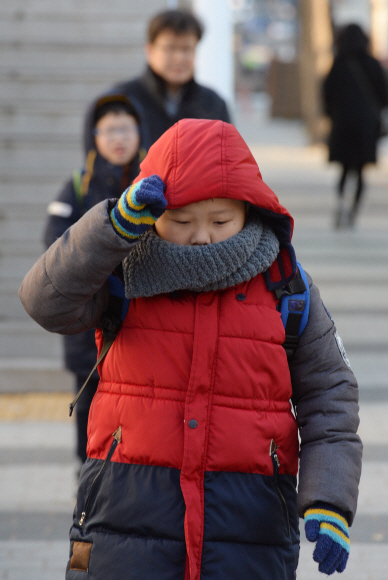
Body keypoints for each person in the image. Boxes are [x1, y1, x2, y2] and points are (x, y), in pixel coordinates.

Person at [19, 119, 362, 579]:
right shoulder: (123, 274)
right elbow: (44, 301)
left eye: (220, 221)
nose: (202, 236)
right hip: (126, 517)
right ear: (152, 215)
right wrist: (110, 229)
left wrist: (329, 499)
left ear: (250, 209)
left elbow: (330, 397)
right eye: (181, 221)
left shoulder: (286, 287)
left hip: (248, 525)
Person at [43, 94, 142, 466]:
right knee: (88, 402)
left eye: (126, 128)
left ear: (139, 133)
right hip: (89, 323)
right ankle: (86, 476)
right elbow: (55, 243)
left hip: (138, 318)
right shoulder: (78, 187)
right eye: (109, 129)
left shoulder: (151, 181)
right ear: (94, 136)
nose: (119, 138)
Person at [83, 9, 230, 153]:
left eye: (187, 49)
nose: (179, 57)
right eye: (170, 48)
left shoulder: (214, 104)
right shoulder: (121, 100)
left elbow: (227, 162)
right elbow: (98, 167)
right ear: (149, 50)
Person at [323, 23, 388, 228]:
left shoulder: (338, 64)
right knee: (360, 171)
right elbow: (384, 95)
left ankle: (341, 204)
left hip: (342, 125)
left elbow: (327, 95)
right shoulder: (372, 64)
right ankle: (353, 212)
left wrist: (333, 115)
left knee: (343, 169)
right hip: (365, 128)